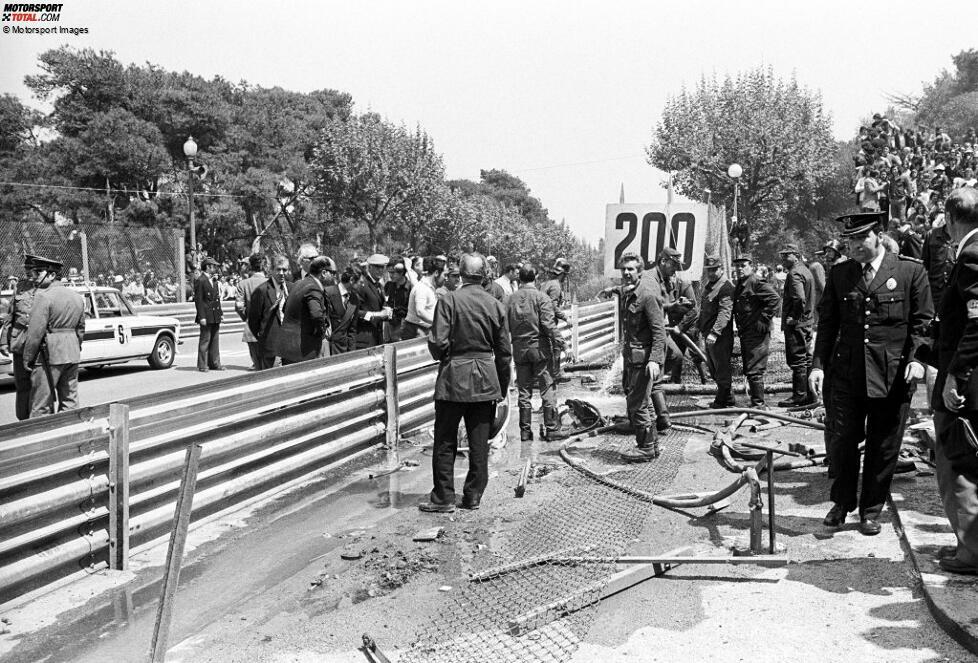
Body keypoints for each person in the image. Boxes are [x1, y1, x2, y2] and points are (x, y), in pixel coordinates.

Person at [811, 211, 933, 536]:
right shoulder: (840, 274)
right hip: (847, 375)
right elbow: (827, 324)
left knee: (883, 446)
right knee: (842, 442)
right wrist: (818, 365)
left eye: (860, 238)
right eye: (849, 240)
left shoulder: (909, 271)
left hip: (892, 375)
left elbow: (923, 322)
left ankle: (871, 510)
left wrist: (918, 359)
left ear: (878, 234)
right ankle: (842, 503)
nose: (854, 246)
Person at [419, 253, 511, 513]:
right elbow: (504, 352)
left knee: (445, 440)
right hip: (485, 379)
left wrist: (447, 358)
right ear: (484, 275)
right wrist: (501, 386)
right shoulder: (495, 305)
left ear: (460, 274)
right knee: (479, 442)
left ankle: (444, 498)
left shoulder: (448, 301)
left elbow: (437, 342)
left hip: (453, 379)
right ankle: (472, 497)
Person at [932, 187, 978, 574]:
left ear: (950, 218)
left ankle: (971, 553)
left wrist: (953, 376)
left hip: (968, 385)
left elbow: (976, 323)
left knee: (958, 464)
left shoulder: (971, 254)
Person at [508, 263, 566, 442]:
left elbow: (504, 325)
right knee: (546, 386)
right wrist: (561, 343)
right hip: (540, 350)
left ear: (519, 278)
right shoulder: (542, 298)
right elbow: (549, 325)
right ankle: (551, 428)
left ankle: (525, 432)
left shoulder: (510, 299)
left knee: (524, 390)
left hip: (519, 349)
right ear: (536, 277)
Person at [617, 252, 667, 462]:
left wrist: (655, 360)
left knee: (637, 404)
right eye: (624, 269)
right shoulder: (628, 293)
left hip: (643, 361)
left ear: (640, 271)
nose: (627, 273)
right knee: (641, 403)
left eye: (631, 269)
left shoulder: (647, 295)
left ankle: (645, 447)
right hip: (631, 358)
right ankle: (652, 445)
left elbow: (659, 332)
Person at [21, 257, 86, 417]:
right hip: (72, 353)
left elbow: (35, 332)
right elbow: (81, 329)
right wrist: (76, 347)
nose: (34, 276)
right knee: (70, 402)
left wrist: (27, 357)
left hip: (48, 355)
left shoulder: (43, 297)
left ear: (51, 275)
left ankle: (42, 439)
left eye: (38, 272)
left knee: (41, 404)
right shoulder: (76, 297)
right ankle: (69, 436)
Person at [644, 248, 692, 430]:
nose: (675, 270)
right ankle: (659, 419)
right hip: (651, 331)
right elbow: (652, 304)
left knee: (676, 356)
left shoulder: (663, 279)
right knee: (653, 380)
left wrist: (676, 305)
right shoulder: (650, 279)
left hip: (661, 329)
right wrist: (672, 306)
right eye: (673, 265)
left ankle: (659, 416)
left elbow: (661, 304)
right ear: (663, 261)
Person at [731, 255, 780, 409]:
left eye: (743, 265)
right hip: (746, 332)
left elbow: (775, 299)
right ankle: (755, 402)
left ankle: (759, 405)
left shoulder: (756, 282)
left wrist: (764, 318)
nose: (739, 269)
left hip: (757, 333)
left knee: (754, 369)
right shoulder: (740, 284)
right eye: (737, 266)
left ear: (750, 266)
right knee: (749, 368)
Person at [0, 256, 42, 420]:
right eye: (26, 269)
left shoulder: (45, 287)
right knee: (22, 384)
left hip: (38, 342)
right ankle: (23, 420)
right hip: (20, 342)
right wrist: (4, 340)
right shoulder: (20, 286)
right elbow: (11, 315)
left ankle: (38, 419)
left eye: (31, 270)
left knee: (39, 384)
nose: (28, 273)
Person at [778, 243, 816, 407]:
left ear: (796, 255)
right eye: (783, 255)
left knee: (798, 360)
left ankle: (799, 396)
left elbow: (799, 299)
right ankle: (809, 394)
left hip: (797, 325)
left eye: (787, 255)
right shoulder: (805, 270)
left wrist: (794, 317)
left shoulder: (794, 273)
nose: (783, 259)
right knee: (806, 359)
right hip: (806, 322)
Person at [278, 256, 332, 364]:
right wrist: (323, 332)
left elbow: (285, 308)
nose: (333, 276)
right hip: (304, 350)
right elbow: (317, 315)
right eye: (332, 272)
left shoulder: (298, 283)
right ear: (324, 273)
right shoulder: (314, 287)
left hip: (288, 347)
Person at [697, 257, 735, 408]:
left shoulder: (725, 287)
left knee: (721, 367)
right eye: (709, 270)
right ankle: (728, 397)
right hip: (709, 334)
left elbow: (724, 312)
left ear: (721, 269)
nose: (711, 273)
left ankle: (722, 400)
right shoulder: (710, 286)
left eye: (714, 270)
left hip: (720, 337)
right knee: (713, 367)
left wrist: (715, 332)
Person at [248, 255, 291, 370]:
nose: (281, 273)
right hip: (271, 345)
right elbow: (253, 321)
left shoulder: (292, 288)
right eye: (278, 269)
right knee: (273, 380)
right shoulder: (261, 291)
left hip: (291, 345)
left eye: (284, 270)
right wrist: (264, 337)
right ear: (271, 270)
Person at [540, 258, 571, 383]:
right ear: (563, 274)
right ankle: (555, 375)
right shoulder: (556, 286)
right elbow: (552, 306)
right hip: (548, 320)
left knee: (553, 347)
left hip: (541, 320)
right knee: (556, 346)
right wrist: (565, 317)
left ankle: (553, 374)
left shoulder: (545, 284)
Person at [235, 254, 266, 371]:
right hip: (270, 328)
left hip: (251, 328)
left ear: (250, 266)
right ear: (264, 266)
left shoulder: (243, 284)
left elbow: (239, 306)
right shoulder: (272, 282)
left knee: (258, 365)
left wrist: (247, 317)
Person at [355, 254, 392, 349]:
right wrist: (377, 315)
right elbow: (355, 312)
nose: (380, 270)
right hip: (363, 338)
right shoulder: (361, 285)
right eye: (377, 267)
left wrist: (387, 312)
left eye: (383, 267)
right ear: (369, 267)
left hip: (376, 337)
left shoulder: (379, 285)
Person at [194, 257, 224, 372]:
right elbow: (199, 300)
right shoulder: (200, 280)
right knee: (205, 340)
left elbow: (217, 299)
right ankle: (203, 364)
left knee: (215, 340)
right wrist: (202, 317)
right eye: (214, 266)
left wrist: (220, 313)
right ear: (208, 267)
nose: (216, 268)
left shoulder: (214, 281)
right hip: (206, 315)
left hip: (215, 314)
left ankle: (215, 363)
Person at [403, 256, 443, 339]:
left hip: (424, 331)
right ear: (436, 273)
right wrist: (440, 322)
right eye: (445, 274)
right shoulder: (422, 288)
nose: (446, 278)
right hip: (417, 333)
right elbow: (420, 311)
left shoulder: (428, 287)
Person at [324, 266, 360, 355]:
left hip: (343, 350)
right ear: (351, 280)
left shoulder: (355, 299)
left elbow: (352, 330)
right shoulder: (327, 293)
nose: (362, 285)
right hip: (326, 348)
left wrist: (352, 354)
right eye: (360, 282)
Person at [383, 262, 411, 342]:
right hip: (389, 324)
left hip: (403, 325)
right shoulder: (388, 285)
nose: (390, 275)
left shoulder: (410, 287)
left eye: (393, 272)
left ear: (401, 272)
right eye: (389, 272)